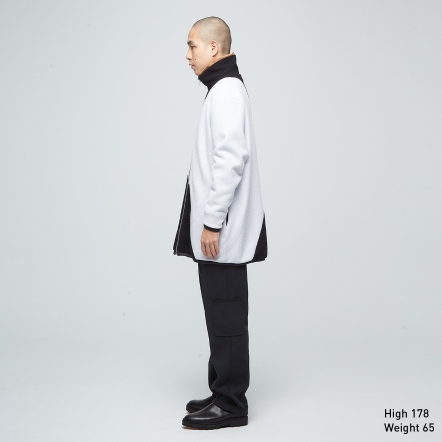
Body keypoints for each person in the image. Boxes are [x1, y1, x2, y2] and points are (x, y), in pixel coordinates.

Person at [173, 16, 268, 430]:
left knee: (226, 316)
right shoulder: (222, 89)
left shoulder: (226, 90)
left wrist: (211, 222)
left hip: (222, 233)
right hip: (219, 231)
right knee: (219, 313)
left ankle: (231, 404)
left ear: (214, 48)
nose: (187, 55)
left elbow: (230, 159)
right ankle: (221, 391)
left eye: (192, 46)